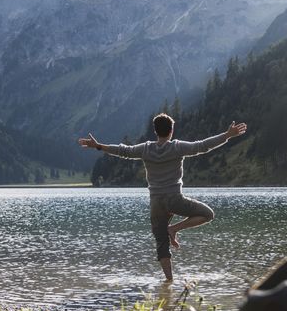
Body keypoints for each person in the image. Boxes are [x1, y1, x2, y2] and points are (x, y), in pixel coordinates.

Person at [79, 114, 247, 282]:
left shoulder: (145, 149)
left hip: (156, 203)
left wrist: (99, 146)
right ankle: (174, 229)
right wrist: (227, 135)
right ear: (171, 131)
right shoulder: (177, 147)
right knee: (207, 214)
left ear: (155, 131)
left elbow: (123, 151)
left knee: (162, 244)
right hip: (174, 199)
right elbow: (202, 146)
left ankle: (169, 282)